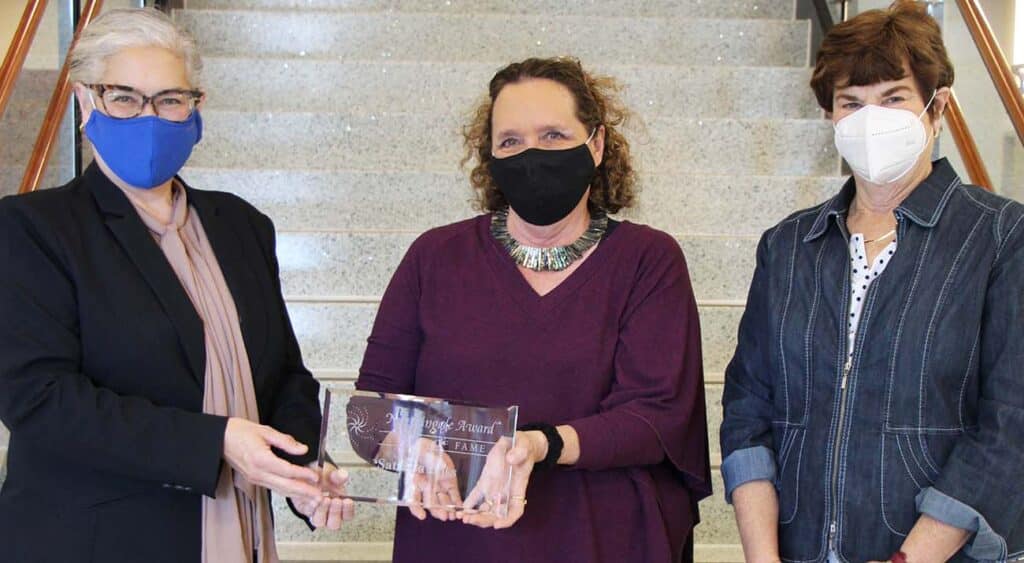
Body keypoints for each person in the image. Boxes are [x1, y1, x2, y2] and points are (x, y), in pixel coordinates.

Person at [0, 9, 351, 563]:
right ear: (86, 101)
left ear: (196, 108)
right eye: (124, 97)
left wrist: (303, 468)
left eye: (169, 99)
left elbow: (284, 375)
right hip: (99, 541)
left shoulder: (240, 225)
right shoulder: (32, 228)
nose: (150, 117)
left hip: (238, 530)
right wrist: (217, 443)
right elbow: (40, 401)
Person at [356, 56, 712, 563]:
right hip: (457, 534)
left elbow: (657, 416)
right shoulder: (434, 258)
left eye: (552, 136)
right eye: (511, 141)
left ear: (597, 144)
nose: (531, 155)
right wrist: (411, 450)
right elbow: (373, 408)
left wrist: (540, 445)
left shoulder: (647, 260)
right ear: (491, 156)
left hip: (601, 538)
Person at [720, 2, 1024, 561]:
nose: (870, 119)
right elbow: (748, 410)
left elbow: (1010, 424)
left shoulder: (1003, 237)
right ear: (831, 117)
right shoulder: (788, 246)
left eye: (894, 98)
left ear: (939, 107)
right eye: (851, 103)